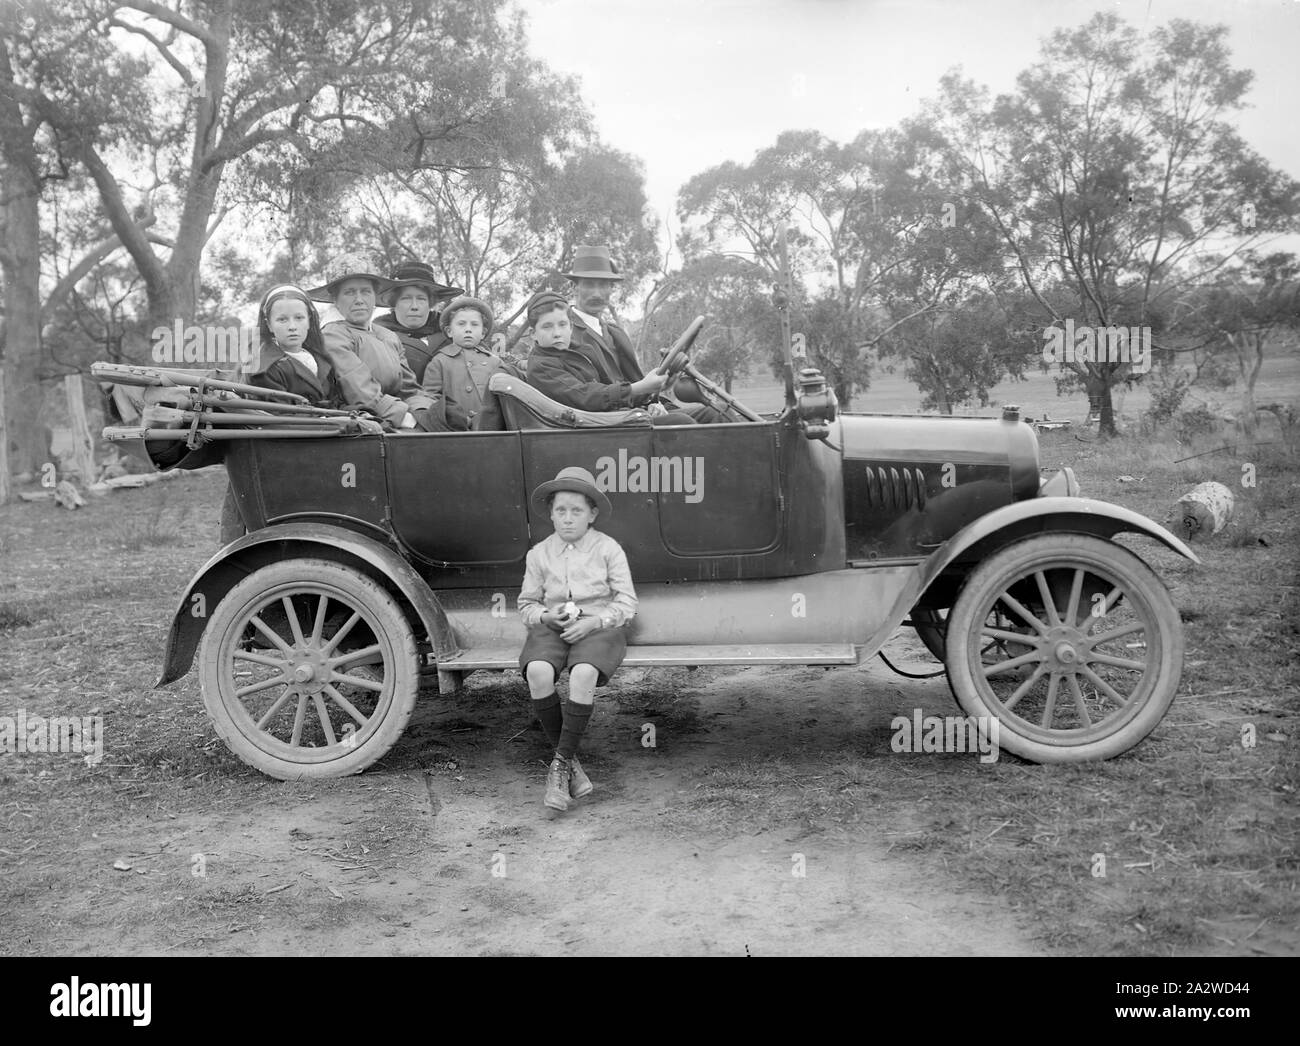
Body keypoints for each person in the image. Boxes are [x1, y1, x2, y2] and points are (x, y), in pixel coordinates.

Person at [518, 466, 637, 813]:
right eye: (560, 511)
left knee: (583, 674)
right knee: (537, 671)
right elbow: (527, 604)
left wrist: (596, 622)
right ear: (551, 514)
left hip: (599, 627)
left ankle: (558, 768)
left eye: (577, 511)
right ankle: (570, 765)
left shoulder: (607, 549)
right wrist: (545, 616)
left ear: (592, 514)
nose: (568, 519)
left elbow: (627, 602)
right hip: (555, 626)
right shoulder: (539, 553)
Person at [524, 245, 727, 425]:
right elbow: (584, 394)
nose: (597, 293)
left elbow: (634, 381)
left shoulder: (614, 332)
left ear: (612, 289)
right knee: (682, 423)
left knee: (714, 414)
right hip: (606, 421)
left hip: (631, 410)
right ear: (574, 287)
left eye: (603, 285)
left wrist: (655, 396)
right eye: (589, 284)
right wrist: (638, 395)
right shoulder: (564, 339)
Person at [306, 253, 432, 430]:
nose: (359, 300)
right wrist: (406, 418)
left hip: (401, 416)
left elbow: (408, 388)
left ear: (374, 296)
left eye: (365, 291)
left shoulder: (388, 336)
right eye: (349, 292)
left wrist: (427, 409)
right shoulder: (332, 335)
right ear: (335, 300)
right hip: (363, 422)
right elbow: (361, 390)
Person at [417, 295, 507, 431]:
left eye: (474, 324)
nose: (468, 329)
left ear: (483, 333)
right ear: (449, 331)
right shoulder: (439, 361)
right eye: (461, 324)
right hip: (454, 431)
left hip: (492, 430)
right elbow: (430, 398)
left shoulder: (495, 362)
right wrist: (451, 417)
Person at [374, 260, 463, 385]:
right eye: (406, 299)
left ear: (430, 303)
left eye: (421, 299)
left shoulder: (455, 334)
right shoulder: (376, 339)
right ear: (394, 303)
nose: (414, 306)